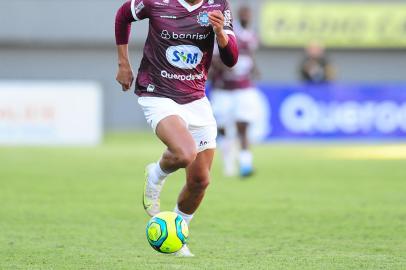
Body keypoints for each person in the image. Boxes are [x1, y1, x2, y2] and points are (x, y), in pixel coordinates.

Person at [115, 0, 238, 257]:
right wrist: (123, 63)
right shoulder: (155, 2)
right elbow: (122, 16)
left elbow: (231, 59)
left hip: (196, 99)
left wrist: (220, 35)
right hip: (157, 93)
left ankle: (178, 236)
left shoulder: (218, 5)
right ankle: (156, 174)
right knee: (184, 153)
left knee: (200, 180)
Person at [209, 6, 259, 178]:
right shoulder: (228, 31)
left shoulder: (251, 35)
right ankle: (228, 163)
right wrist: (226, 67)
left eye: (249, 14)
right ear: (238, 15)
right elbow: (214, 57)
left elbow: (250, 55)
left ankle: (246, 164)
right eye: (244, 14)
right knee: (223, 128)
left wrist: (254, 68)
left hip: (244, 88)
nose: (247, 16)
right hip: (223, 89)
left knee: (243, 125)